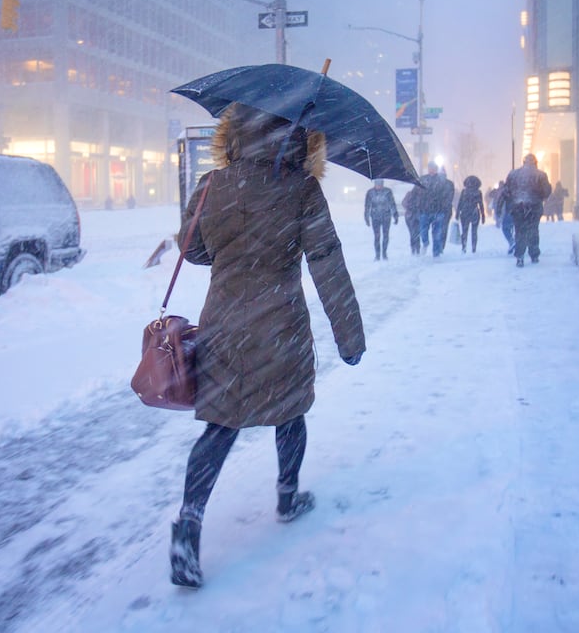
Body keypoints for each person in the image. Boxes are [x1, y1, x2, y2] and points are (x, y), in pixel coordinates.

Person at [171, 103, 366, 588]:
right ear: (299, 137)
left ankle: (189, 525)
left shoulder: (214, 184)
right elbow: (326, 262)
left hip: (224, 325)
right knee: (290, 411)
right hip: (280, 325)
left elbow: (192, 250)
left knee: (219, 426)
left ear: (235, 132)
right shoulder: (302, 189)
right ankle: (287, 495)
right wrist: (349, 337)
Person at [506, 153, 552, 267]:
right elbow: (546, 191)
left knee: (519, 231)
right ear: (535, 163)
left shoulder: (513, 174)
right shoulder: (541, 175)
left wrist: (512, 201)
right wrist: (539, 197)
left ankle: (520, 256)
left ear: (523, 162)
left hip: (518, 207)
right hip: (534, 206)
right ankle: (534, 254)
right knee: (533, 230)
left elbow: (507, 191)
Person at [418, 161, 452, 257]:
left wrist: (444, 206)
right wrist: (419, 205)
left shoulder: (441, 180)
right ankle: (425, 242)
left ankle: (436, 253)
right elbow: (418, 193)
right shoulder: (423, 179)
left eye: (433, 168)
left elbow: (446, 195)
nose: (431, 170)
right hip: (425, 209)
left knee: (437, 233)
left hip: (438, 210)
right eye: (430, 168)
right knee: (423, 230)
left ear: (436, 169)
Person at [363, 179, 398, 260]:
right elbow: (367, 205)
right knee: (377, 236)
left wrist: (395, 215)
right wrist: (366, 217)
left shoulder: (387, 191)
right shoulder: (370, 192)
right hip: (375, 217)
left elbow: (392, 203)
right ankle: (377, 254)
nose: (379, 186)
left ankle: (384, 253)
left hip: (386, 217)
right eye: (377, 184)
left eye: (380, 184)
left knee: (385, 235)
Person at [455, 175, 485, 253]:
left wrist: (457, 213)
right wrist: (483, 215)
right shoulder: (478, 192)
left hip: (465, 213)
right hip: (475, 213)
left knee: (464, 231)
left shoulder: (464, 192)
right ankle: (473, 247)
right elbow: (481, 204)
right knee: (474, 231)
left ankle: (464, 246)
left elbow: (460, 203)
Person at [492, 179, 515, 253]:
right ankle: (516, 243)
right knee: (519, 229)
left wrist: (498, 211)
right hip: (520, 212)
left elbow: (500, 201)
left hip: (509, 212)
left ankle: (511, 241)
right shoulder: (520, 189)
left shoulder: (506, 190)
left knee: (505, 228)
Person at [402, 184, 423, 254]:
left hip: (417, 216)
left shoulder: (421, 196)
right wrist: (411, 207)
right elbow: (404, 203)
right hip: (411, 216)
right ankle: (414, 248)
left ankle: (416, 248)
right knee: (413, 233)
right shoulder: (410, 194)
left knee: (416, 233)